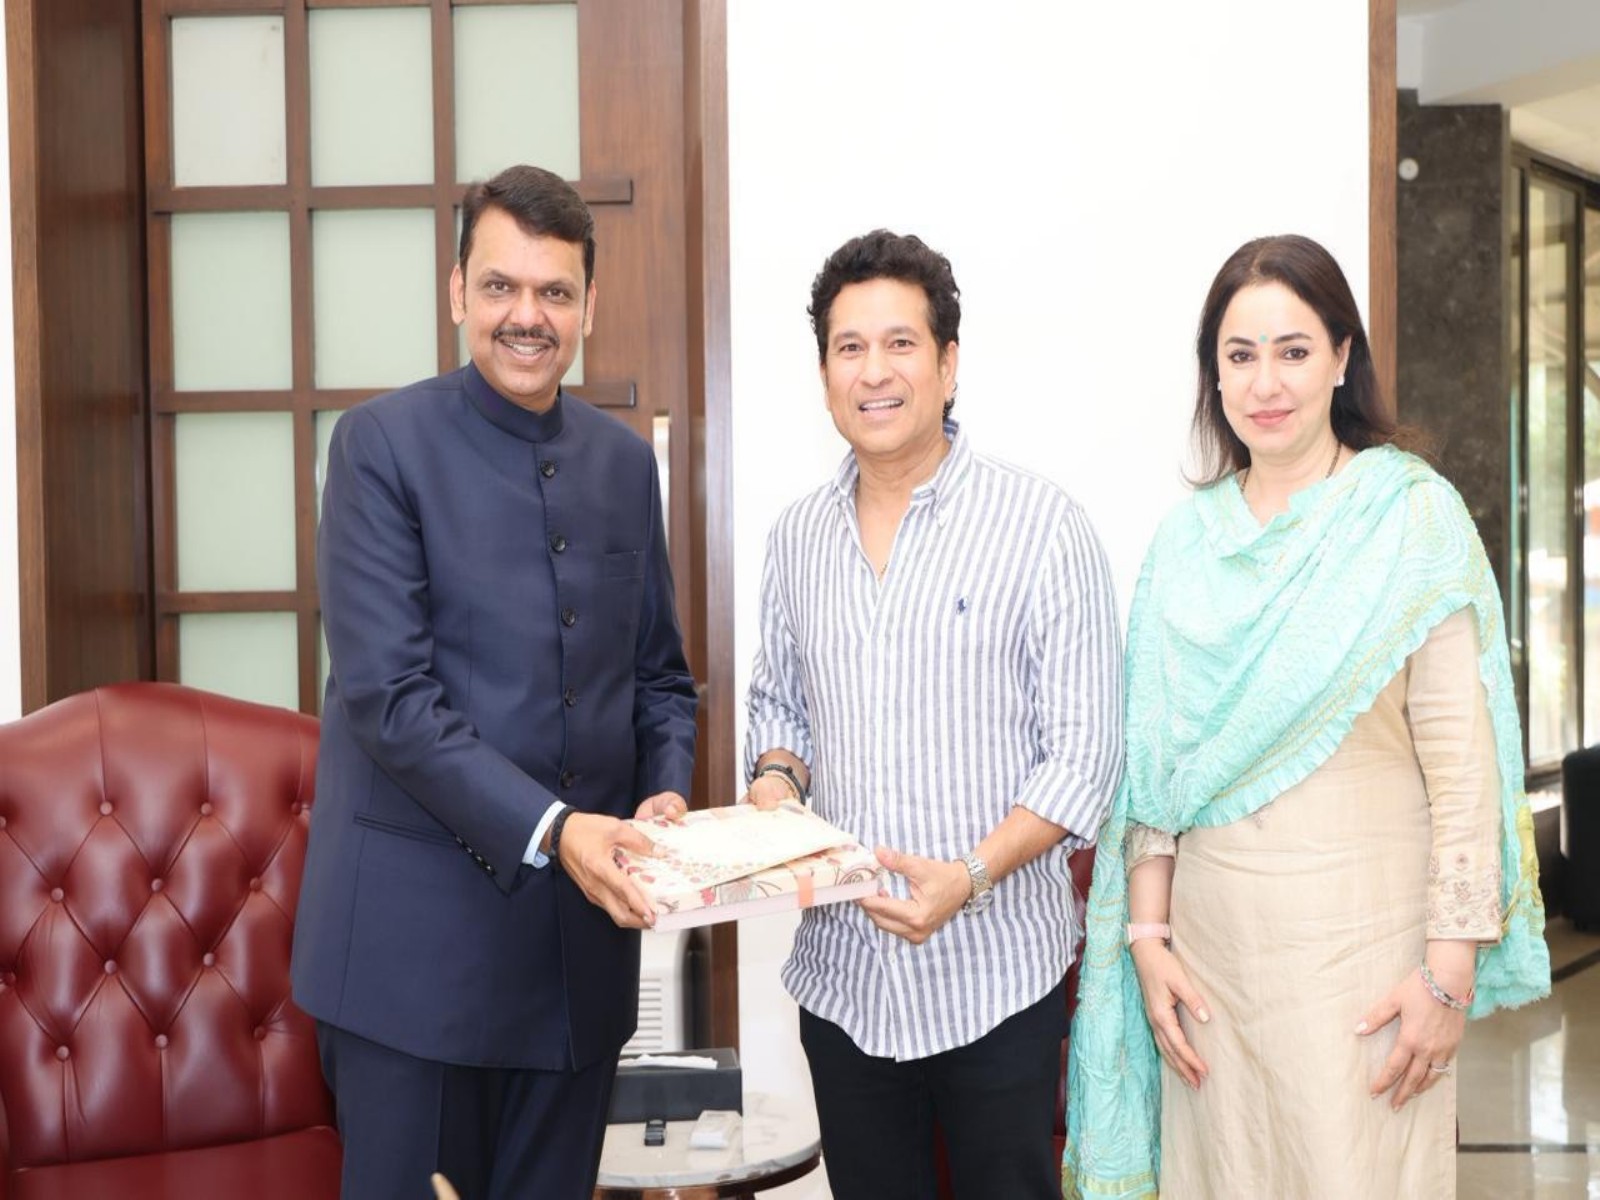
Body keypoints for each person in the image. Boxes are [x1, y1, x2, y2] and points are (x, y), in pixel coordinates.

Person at [1064, 234, 1552, 1199]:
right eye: (1240, 356)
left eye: (1293, 350)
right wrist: (1148, 944)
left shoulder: (1409, 520)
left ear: (1340, 356)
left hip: (1365, 973)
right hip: (1211, 979)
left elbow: (1464, 777)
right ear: (1214, 375)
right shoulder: (1186, 542)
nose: (1266, 382)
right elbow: (1155, 771)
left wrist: (1447, 981)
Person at [290, 164, 698, 1200]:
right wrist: (564, 828)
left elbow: (658, 676)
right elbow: (390, 700)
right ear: (457, 290)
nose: (528, 316)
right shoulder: (380, 447)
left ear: (590, 306)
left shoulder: (621, 464)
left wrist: (664, 788)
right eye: (501, 287)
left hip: (575, 971)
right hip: (409, 971)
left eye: (555, 293)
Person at [743, 230, 1123, 1200]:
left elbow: (1084, 757)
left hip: (995, 975)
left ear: (948, 365)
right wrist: (774, 783)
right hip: (843, 980)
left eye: (900, 344)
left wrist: (967, 876)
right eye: (848, 347)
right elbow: (781, 704)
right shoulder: (795, 541)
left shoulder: (1042, 527)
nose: (874, 371)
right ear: (825, 372)